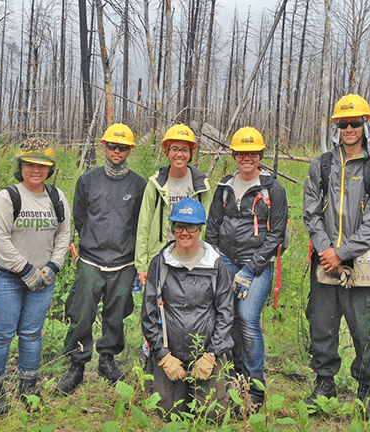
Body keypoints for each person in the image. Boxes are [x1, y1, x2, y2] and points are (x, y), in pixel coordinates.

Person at [302, 94, 370, 419]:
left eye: (356, 123)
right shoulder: (322, 165)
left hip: (362, 263)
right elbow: (311, 213)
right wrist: (326, 250)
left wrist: (341, 253)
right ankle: (324, 384)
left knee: (364, 330)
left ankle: (366, 392)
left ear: (366, 124)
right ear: (337, 126)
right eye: (344, 123)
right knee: (322, 325)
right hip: (325, 260)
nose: (350, 128)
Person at [0, 137, 71, 415]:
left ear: (50, 169)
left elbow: (64, 235)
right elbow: (0, 240)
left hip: (43, 278)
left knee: (32, 334)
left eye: (42, 165)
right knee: (2, 334)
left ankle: (28, 387)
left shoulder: (56, 197)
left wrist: (52, 268)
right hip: (6, 277)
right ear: (20, 166)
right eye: (30, 164)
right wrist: (25, 269)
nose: (36, 170)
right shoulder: (8, 197)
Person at [56, 123, 146, 394]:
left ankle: (107, 359)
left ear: (130, 150)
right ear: (104, 147)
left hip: (123, 262)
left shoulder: (139, 184)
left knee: (116, 314)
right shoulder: (88, 180)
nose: (116, 151)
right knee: (81, 313)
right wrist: (90, 242)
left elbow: (140, 223)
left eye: (122, 147)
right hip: (91, 260)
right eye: (112, 146)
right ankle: (77, 364)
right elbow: (81, 218)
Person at [205, 127, 288, 411]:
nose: (247, 158)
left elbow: (276, 235)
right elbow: (212, 227)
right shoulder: (225, 186)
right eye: (242, 153)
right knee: (226, 316)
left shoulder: (273, 190)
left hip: (259, 263)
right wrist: (218, 263)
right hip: (226, 259)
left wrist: (250, 271)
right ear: (235, 155)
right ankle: (234, 375)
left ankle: (256, 386)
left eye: (252, 153)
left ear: (260, 155)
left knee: (247, 319)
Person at [142, 198, 234, 419]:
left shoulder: (215, 264)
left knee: (213, 415)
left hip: (206, 351)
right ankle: (163, 373)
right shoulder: (160, 263)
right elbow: (149, 315)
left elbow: (226, 313)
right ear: (172, 228)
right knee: (168, 412)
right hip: (171, 352)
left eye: (191, 226)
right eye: (179, 226)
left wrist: (211, 355)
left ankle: (213, 379)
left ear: (200, 229)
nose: (185, 232)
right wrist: (164, 356)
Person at [135, 124, 213, 287]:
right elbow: (144, 225)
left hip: (194, 257)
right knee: (160, 307)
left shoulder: (201, 186)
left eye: (185, 149)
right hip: (161, 257)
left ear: (191, 153)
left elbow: (209, 225)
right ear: (167, 152)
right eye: (175, 149)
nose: (179, 154)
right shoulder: (156, 184)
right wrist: (142, 266)